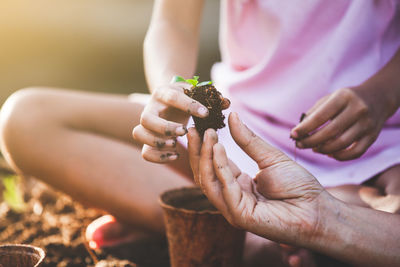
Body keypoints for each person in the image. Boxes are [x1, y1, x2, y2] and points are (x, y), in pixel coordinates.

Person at [0, 0, 399, 265]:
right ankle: (263, 239)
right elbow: (173, 22)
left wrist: (382, 95)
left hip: (380, 148)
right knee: (27, 118)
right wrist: (170, 88)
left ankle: (220, 223)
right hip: (238, 130)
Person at [187, 112, 400, 267]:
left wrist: (380, 95)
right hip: (252, 120)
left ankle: (257, 239)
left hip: (374, 148)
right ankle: (344, 208)